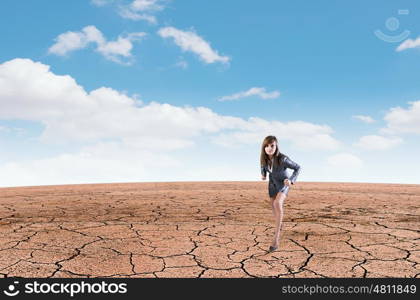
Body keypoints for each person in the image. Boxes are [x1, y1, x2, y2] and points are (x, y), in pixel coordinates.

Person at [260, 135, 301, 252]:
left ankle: (276, 238)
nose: (269, 148)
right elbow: (263, 166)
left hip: (284, 183)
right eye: (266, 146)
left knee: (278, 203)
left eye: (272, 146)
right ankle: (280, 223)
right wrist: (263, 174)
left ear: (276, 146)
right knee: (273, 205)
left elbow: (297, 168)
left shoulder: (283, 159)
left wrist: (291, 180)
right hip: (272, 183)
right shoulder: (264, 158)